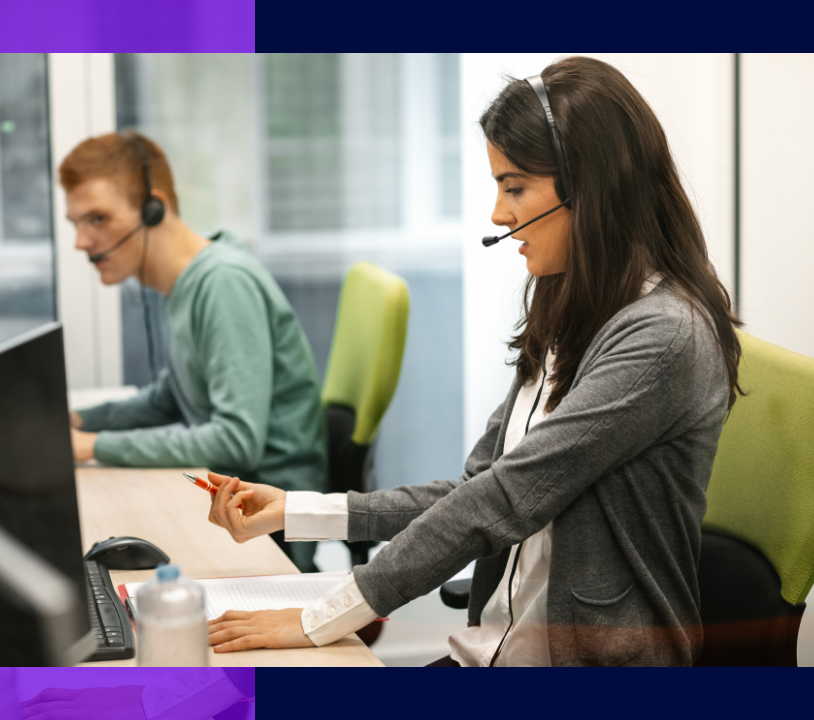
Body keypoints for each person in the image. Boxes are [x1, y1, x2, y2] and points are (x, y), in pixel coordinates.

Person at [200, 57, 743, 666]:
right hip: (491, 657)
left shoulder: (662, 337)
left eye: (514, 187)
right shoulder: (569, 306)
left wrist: (319, 618)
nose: (498, 213)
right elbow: (476, 488)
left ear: (589, 188)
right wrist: (302, 510)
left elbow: (506, 498)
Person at [60, 131, 326, 572]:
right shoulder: (183, 284)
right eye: (76, 223)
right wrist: (78, 422)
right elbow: (172, 396)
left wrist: (91, 446)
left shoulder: (222, 284)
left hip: (262, 519)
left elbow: (236, 439)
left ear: (153, 209)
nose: (81, 242)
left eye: (98, 219)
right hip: (225, 495)